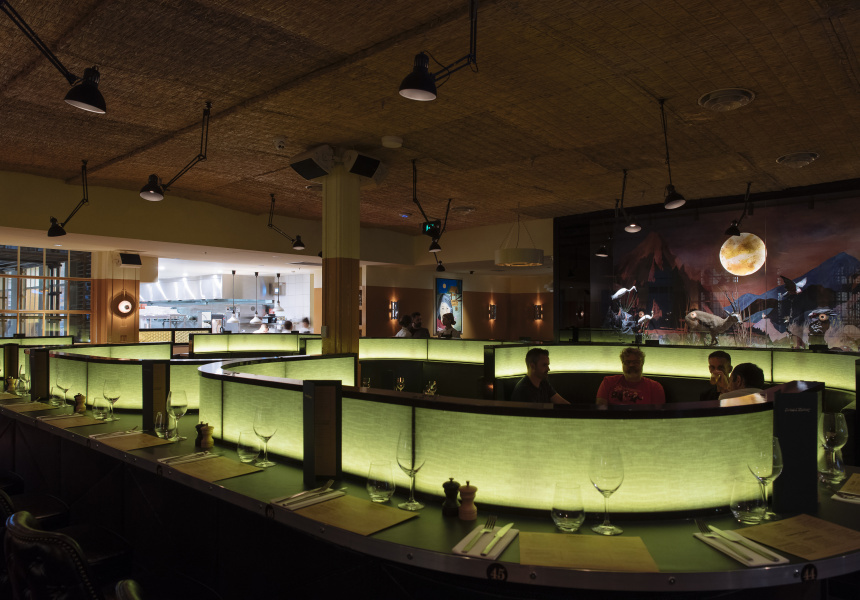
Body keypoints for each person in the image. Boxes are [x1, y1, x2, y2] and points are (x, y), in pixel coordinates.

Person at [596, 347, 665, 405]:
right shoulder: (608, 382)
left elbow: (657, 414)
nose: (631, 365)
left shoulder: (655, 387)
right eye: (627, 362)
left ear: (642, 364)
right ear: (622, 364)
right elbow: (601, 409)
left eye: (636, 362)